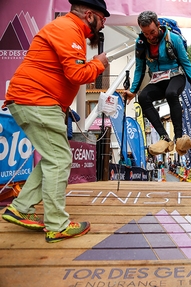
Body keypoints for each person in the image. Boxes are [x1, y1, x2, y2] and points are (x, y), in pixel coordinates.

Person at [1, 0, 110, 243]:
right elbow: (77, 74)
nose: (103, 25)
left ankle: (21, 207)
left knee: (53, 158)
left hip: (35, 100)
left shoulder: (70, 29)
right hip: (36, 100)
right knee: (59, 159)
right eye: (103, 19)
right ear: (90, 15)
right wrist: (99, 64)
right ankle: (57, 224)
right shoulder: (68, 29)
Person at [123, 11, 191, 156]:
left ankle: (179, 137)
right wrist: (133, 90)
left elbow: (186, 63)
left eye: (152, 32)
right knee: (143, 97)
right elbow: (139, 68)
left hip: (176, 76)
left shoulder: (173, 39)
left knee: (171, 93)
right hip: (157, 79)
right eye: (146, 33)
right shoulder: (141, 43)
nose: (150, 37)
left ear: (158, 25)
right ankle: (164, 138)